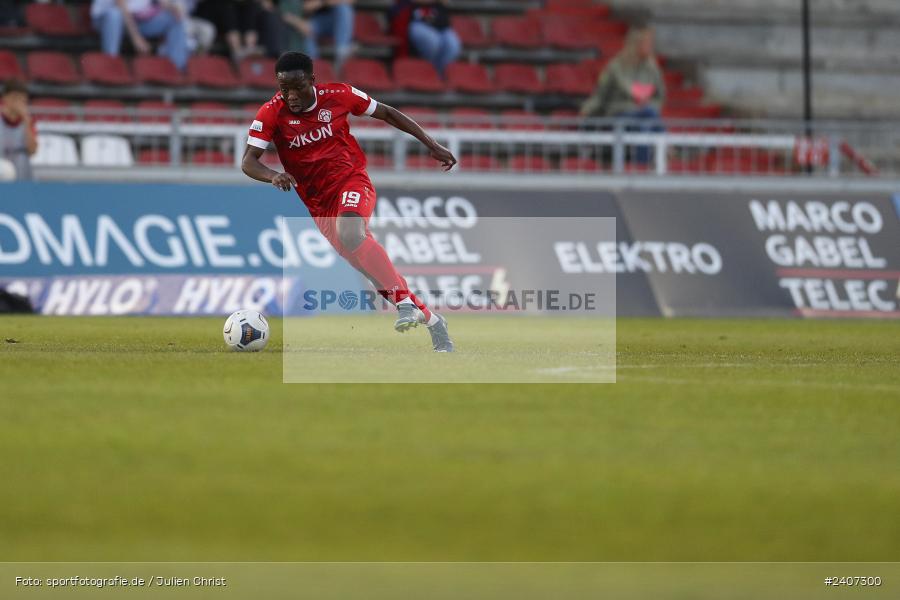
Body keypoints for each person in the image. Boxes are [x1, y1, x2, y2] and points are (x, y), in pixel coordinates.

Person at [242, 51, 457, 352]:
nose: (290, 95)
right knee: (371, 269)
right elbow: (249, 162)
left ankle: (405, 303)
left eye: (297, 87)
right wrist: (273, 175)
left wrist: (431, 145)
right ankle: (434, 322)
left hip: (351, 180)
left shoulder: (339, 94)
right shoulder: (271, 112)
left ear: (312, 81)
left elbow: (387, 112)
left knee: (352, 233)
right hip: (319, 204)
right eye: (283, 88)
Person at [580, 26, 665, 163]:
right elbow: (601, 95)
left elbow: (659, 97)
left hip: (644, 114)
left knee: (646, 125)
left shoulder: (652, 68)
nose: (651, 46)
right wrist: (588, 109)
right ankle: (666, 149)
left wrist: (648, 104)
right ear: (636, 44)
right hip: (619, 114)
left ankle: (641, 168)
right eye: (647, 43)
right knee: (650, 115)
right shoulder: (615, 67)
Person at [91, 0, 190, 71]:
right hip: (107, 20)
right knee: (114, 15)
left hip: (138, 19)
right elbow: (121, 6)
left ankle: (176, 69)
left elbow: (163, 2)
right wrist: (137, 39)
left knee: (173, 19)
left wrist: (173, 7)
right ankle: (110, 64)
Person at [393, 0, 459, 77]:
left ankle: (439, 75)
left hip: (438, 23)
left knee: (452, 44)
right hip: (414, 21)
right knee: (432, 41)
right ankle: (426, 72)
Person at [0, 79, 37, 181]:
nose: (18, 103)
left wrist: (26, 121)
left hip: (22, 172)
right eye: (14, 98)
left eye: (22, 99)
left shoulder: (28, 121)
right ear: (5, 98)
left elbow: (32, 150)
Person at [300, 0, 355, 69]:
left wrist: (321, 2)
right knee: (305, 31)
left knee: (344, 8)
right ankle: (315, 68)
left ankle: (342, 53)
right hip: (313, 21)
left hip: (334, 22)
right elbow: (304, 7)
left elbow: (350, 1)